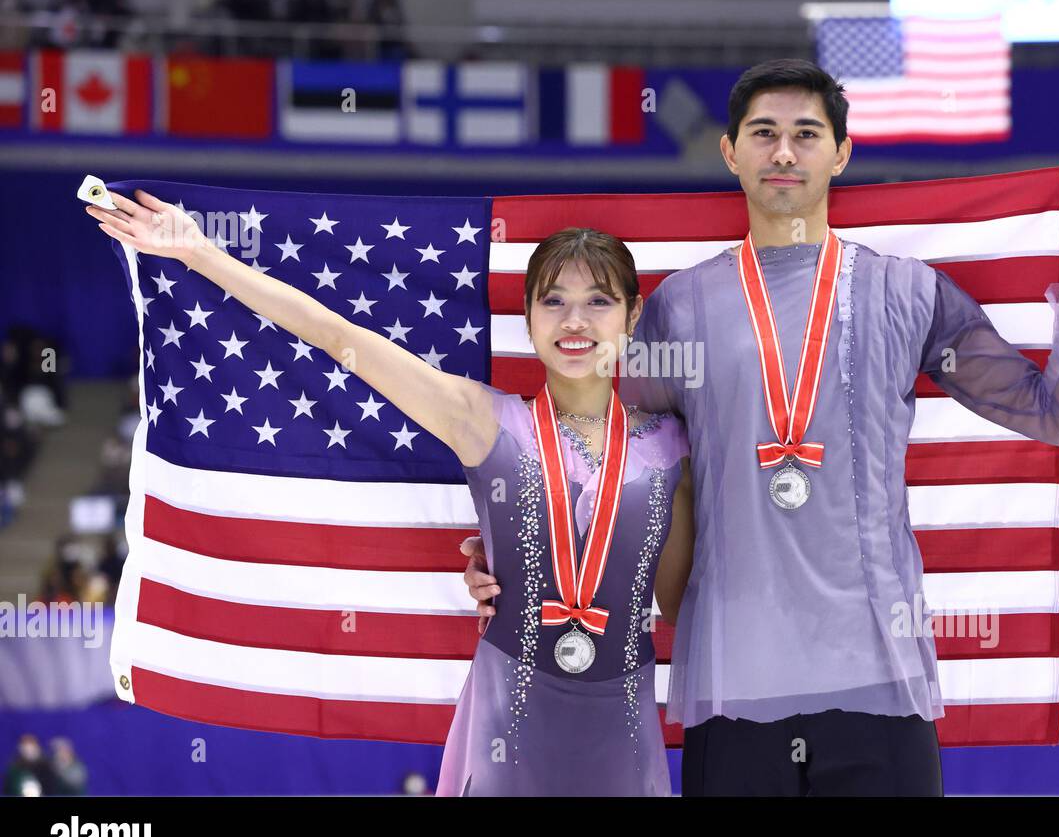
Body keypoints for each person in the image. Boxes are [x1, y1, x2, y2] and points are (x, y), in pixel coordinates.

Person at [463, 58, 1059, 796]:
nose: (783, 152)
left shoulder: (908, 294)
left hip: (880, 682)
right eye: (764, 133)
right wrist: (512, 557)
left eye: (806, 134)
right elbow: (599, 453)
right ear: (729, 152)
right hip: (736, 689)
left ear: (841, 152)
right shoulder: (681, 309)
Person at [84, 199, 694, 796]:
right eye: (553, 301)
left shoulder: (671, 446)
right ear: (529, 318)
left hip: (625, 729)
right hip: (511, 723)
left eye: (599, 302)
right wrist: (194, 249)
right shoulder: (482, 420)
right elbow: (334, 333)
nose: (575, 322)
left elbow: (675, 601)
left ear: (632, 316)